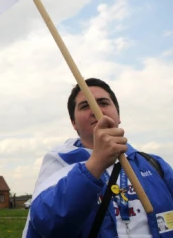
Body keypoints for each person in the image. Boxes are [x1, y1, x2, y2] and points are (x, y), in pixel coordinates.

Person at [22, 78, 173, 237]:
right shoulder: (60, 164)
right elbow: (46, 223)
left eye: (104, 103)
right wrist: (94, 165)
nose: (96, 110)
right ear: (73, 123)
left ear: (118, 115)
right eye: (85, 106)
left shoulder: (154, 165)